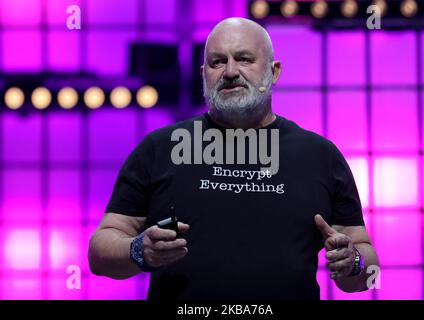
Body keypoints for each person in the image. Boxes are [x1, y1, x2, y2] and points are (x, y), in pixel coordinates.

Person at [88, 17, 379, 300]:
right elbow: (99, 253)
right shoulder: (159, 149)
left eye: (244, 59)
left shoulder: (319, 156)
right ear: (204, 74)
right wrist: (139, 250)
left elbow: (369, 268)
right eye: (217, 62)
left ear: (274, 72)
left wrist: (353, 261)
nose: (230, 71)